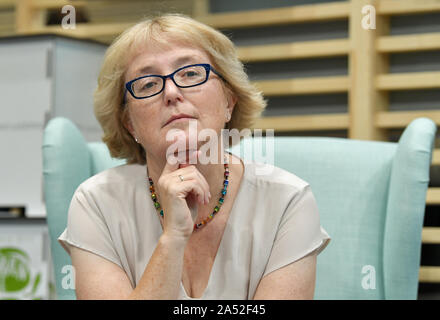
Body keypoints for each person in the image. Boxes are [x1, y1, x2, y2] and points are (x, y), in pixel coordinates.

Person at [58, 13, 330, 300]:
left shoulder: (287, 200)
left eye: (190, 73)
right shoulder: (96, 203)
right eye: (148, 84)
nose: (172, 92)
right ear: (129, 124)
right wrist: (172, 239)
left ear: (229, 101)